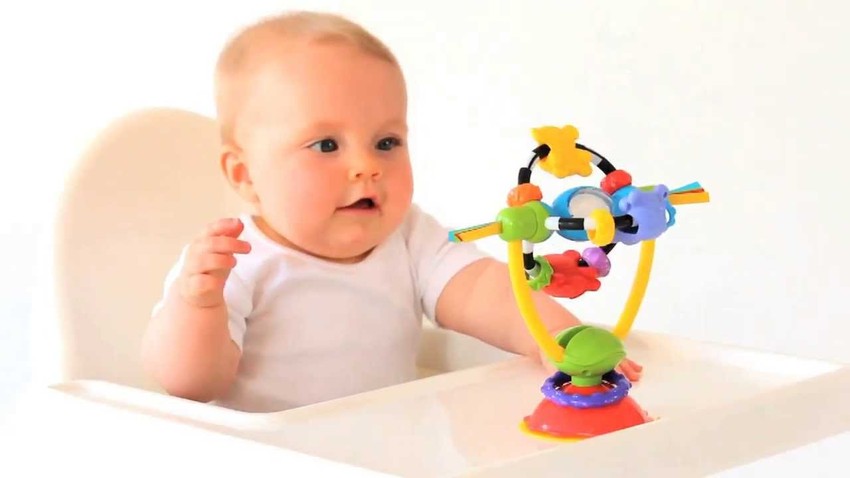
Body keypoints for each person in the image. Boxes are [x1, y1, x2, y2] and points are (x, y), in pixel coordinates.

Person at [141, 10, 641, 413]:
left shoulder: (407, 236)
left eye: (386, 142)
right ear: (245, 174)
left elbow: (480, 289)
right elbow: (191, 385)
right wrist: (199, 307)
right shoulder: (231, 260)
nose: (367, 166)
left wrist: (554, 334)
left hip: (383, 451)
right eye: (326, 145)